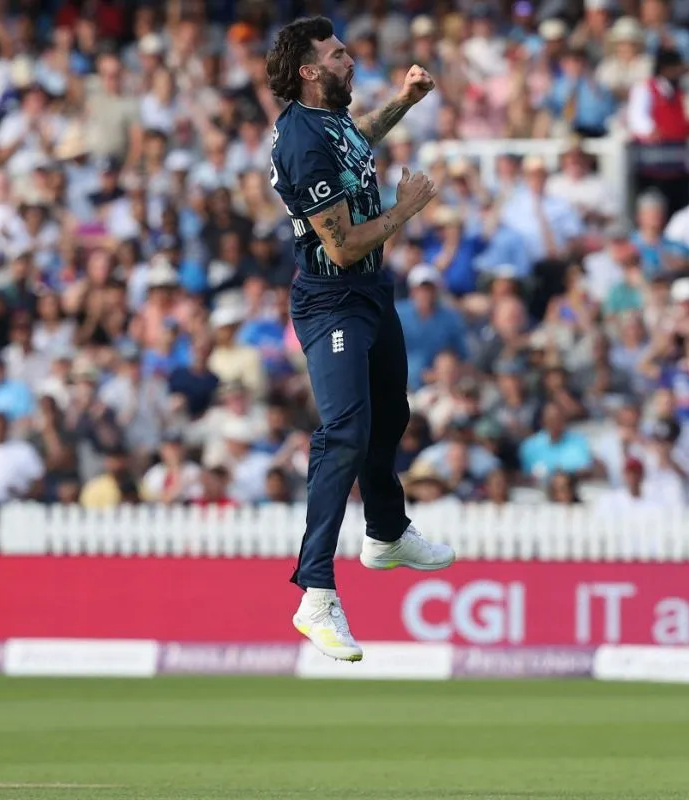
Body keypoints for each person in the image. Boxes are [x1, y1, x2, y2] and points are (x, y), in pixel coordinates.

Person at [265, 16, 455, 663]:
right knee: (344, 432)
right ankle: (314, 593)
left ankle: (386, 533)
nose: (351, 60)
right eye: (338, 54)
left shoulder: (331, 124)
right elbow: (342, 248)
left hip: (372, 297)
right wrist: (405, 209)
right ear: (309, 71)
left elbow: (359, 136)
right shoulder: (300, 141)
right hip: (333, 301)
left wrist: (404, 101)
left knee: (391, 416)